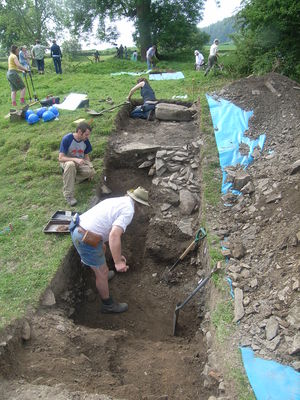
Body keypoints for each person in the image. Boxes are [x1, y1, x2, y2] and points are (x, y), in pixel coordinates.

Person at [69, 186, 150, 313]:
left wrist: (118, 255)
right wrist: (117, 262)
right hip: (84, 237)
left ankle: (102, 273)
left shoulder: (120, 201)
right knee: (101, 274)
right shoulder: (129, 211)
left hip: (82, 228)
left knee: (103, 247)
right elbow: (114, 235)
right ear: (139, 205)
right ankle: (108, 305)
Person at [58, 122, 96, 206]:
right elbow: (60, 158)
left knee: (91, 171)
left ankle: (69, 177)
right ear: (79, 132)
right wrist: (75, 159)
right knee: (71, 165)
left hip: (79, 164)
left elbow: (86, 155)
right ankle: (69, 196)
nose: (87, 137)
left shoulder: (85, 141)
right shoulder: (67, 139)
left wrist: (89, 167)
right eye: (86, 134)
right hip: (67, 163)